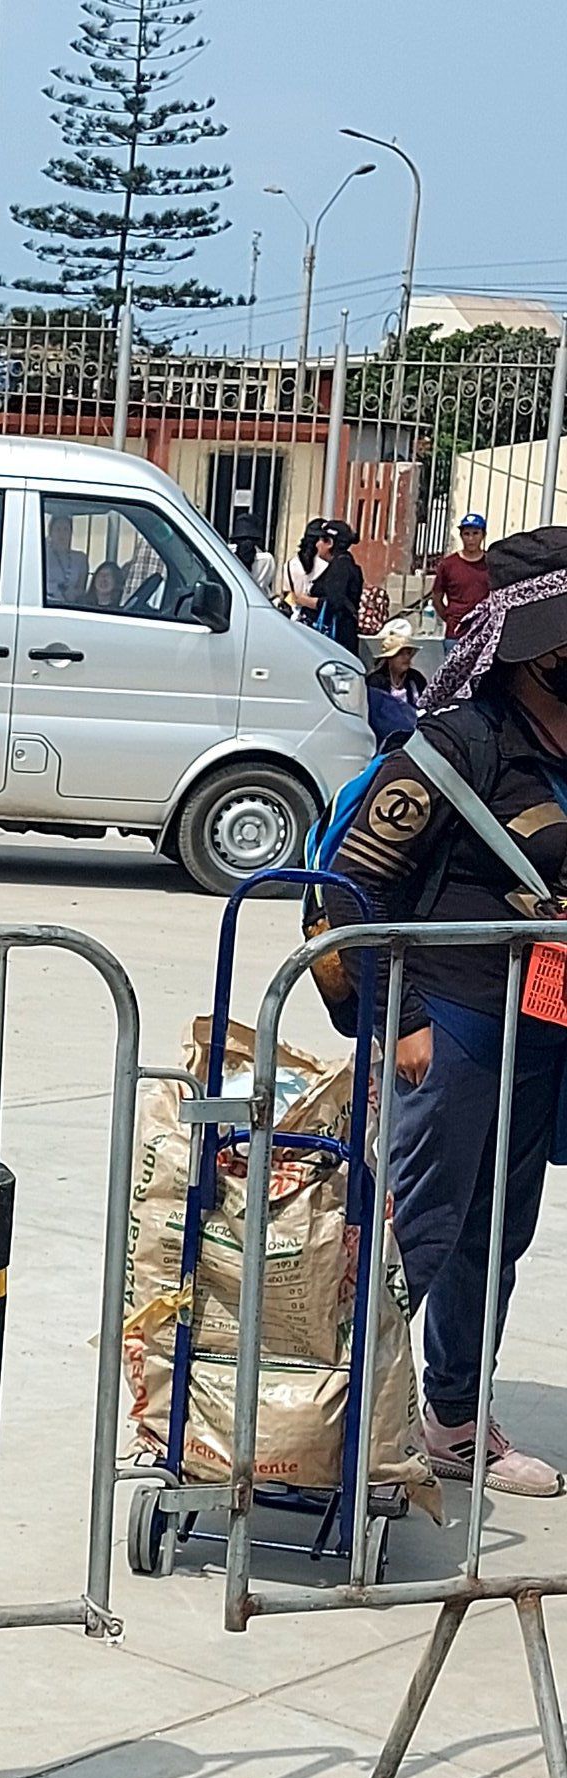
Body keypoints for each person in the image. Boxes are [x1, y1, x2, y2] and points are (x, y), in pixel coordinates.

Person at [328, 527, 567, 1497]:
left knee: (495, 1229)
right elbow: (347, 888)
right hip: (452, 1022)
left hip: (537, 1021)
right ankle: (344, 1432)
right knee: (410, 1230)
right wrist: (399, 1018)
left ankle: (453, 1421)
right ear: (536, 644)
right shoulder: (451, 745)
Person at [428, 512, 492, 650]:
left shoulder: (491, 564)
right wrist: (450, 619)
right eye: (467, 534)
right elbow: (437, 598)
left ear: (483, 535)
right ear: (461, 536)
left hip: (483, 634)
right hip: (455, 635)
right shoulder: (448, 564)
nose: (471, 539)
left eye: (475, 533)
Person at [363, 618, 424, 744]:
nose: (406, 658)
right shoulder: (376, 682)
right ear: (389, 658)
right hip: (387, 737)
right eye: (401, 654)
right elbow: (375, 717)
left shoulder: (416, 678)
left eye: (408, 653)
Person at [308, 520, 363, 653]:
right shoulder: (344, 564)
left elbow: (335, 603)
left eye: (321, 540)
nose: (317, 544)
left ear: (330, 543)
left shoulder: (340, 568)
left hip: (336, 639)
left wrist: (305, 600)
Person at [283, 518, 327, 620]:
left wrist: (296, 607)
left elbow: (288, 595)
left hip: (295, 620)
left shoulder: (290, 564)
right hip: (318, 620)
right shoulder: (327, 565)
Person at [43, 511, 90, 606]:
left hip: (70, 605)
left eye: (66, 529)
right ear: (51, 532)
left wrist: (73, 593)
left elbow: (82, 589)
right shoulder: (42, 555)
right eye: (58, 529)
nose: (62, 534)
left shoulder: (80, 558)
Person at [231, 521, 277, 595]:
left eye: (250, 539)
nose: (246, 542)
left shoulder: (265, 561)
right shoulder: (229, 556)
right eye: (242, 539)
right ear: (236, 541)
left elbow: (262, 584)